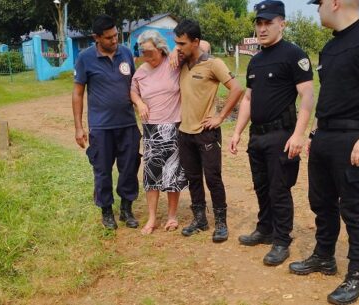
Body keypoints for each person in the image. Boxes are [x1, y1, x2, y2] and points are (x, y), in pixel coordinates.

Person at [289, 1, 359, 304]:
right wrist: (315, 133)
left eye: (319, 4)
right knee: (321, 202)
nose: (316, 9)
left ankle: (358, 276)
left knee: (355, 209)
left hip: (354, 138)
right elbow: (333, 94)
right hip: (325, 136)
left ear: (335, 2)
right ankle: (324, 256)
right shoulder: (331, 46)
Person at [229, 0, 315, 266]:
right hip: (257, 135)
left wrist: (299, 134)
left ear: (282, 23)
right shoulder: (256, 61)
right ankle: (265, 229)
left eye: (268, 23)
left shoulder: (293, 54)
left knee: (279, 190)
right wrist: (237, 132)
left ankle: (281, 240)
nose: (262, 28)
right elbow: (247, 100)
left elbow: (308, 96)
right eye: (259, 23)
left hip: (282, 135)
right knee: (261, 186)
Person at [173, 19, 243, 243]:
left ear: (195, 42)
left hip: (206, 132)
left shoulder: (213, 64)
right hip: (184, 132)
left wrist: (220, 117)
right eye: (176, 43)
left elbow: (237, 88)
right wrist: (176, 55)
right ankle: (200, 219)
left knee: (213, 177)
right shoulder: (182, 63)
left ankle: (221, 222)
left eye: (182, 43)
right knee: (193, 177)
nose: (178, 47)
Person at [72, 14, 141, 230]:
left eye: (116, 35)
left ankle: (126, 210)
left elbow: (136, 86)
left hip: (128, 124)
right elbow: (78, 93)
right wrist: (78, 127)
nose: (114, 40)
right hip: (101, 127)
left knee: (129, 168)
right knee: (102, 171)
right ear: (97, 37)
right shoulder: (85, 58)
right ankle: (107, 212)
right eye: (109, 37)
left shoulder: (126, 54)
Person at [130, 30, 188, 235]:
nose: (146, 56)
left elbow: (204, 46)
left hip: (173, 126)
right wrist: (138, 102)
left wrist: (176, 50)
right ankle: (152, 218)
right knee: (151, 174)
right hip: (151, 128)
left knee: (172, 172)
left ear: (160, 48)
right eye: (143, 52)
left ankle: (172, 216)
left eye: (150, 52)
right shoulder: (141, 71)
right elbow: (133, 90)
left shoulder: (174, 63)